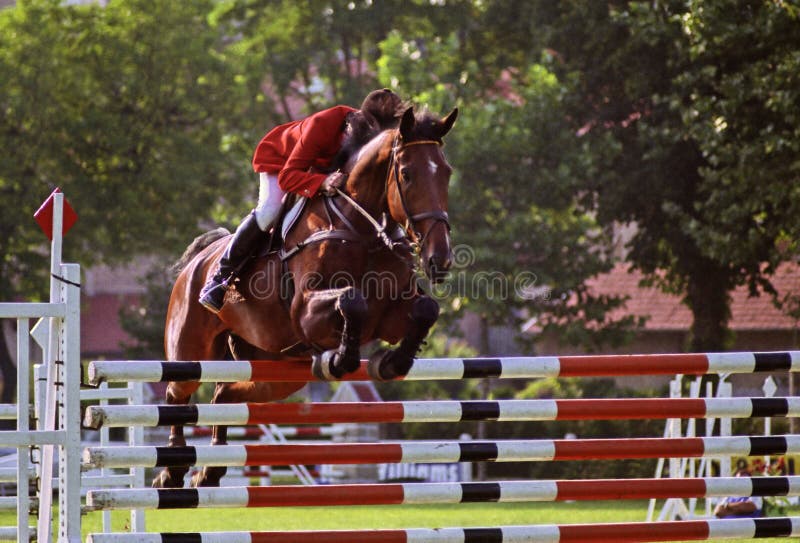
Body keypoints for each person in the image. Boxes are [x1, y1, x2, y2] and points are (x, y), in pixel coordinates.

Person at [199, 89, 405, 314]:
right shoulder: (323, 125)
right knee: (269, 211)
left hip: (316, 167)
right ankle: (220, 277)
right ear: (370, 123)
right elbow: (288, 178)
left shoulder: (372, 136)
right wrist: (323, 182)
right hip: (280, 161)